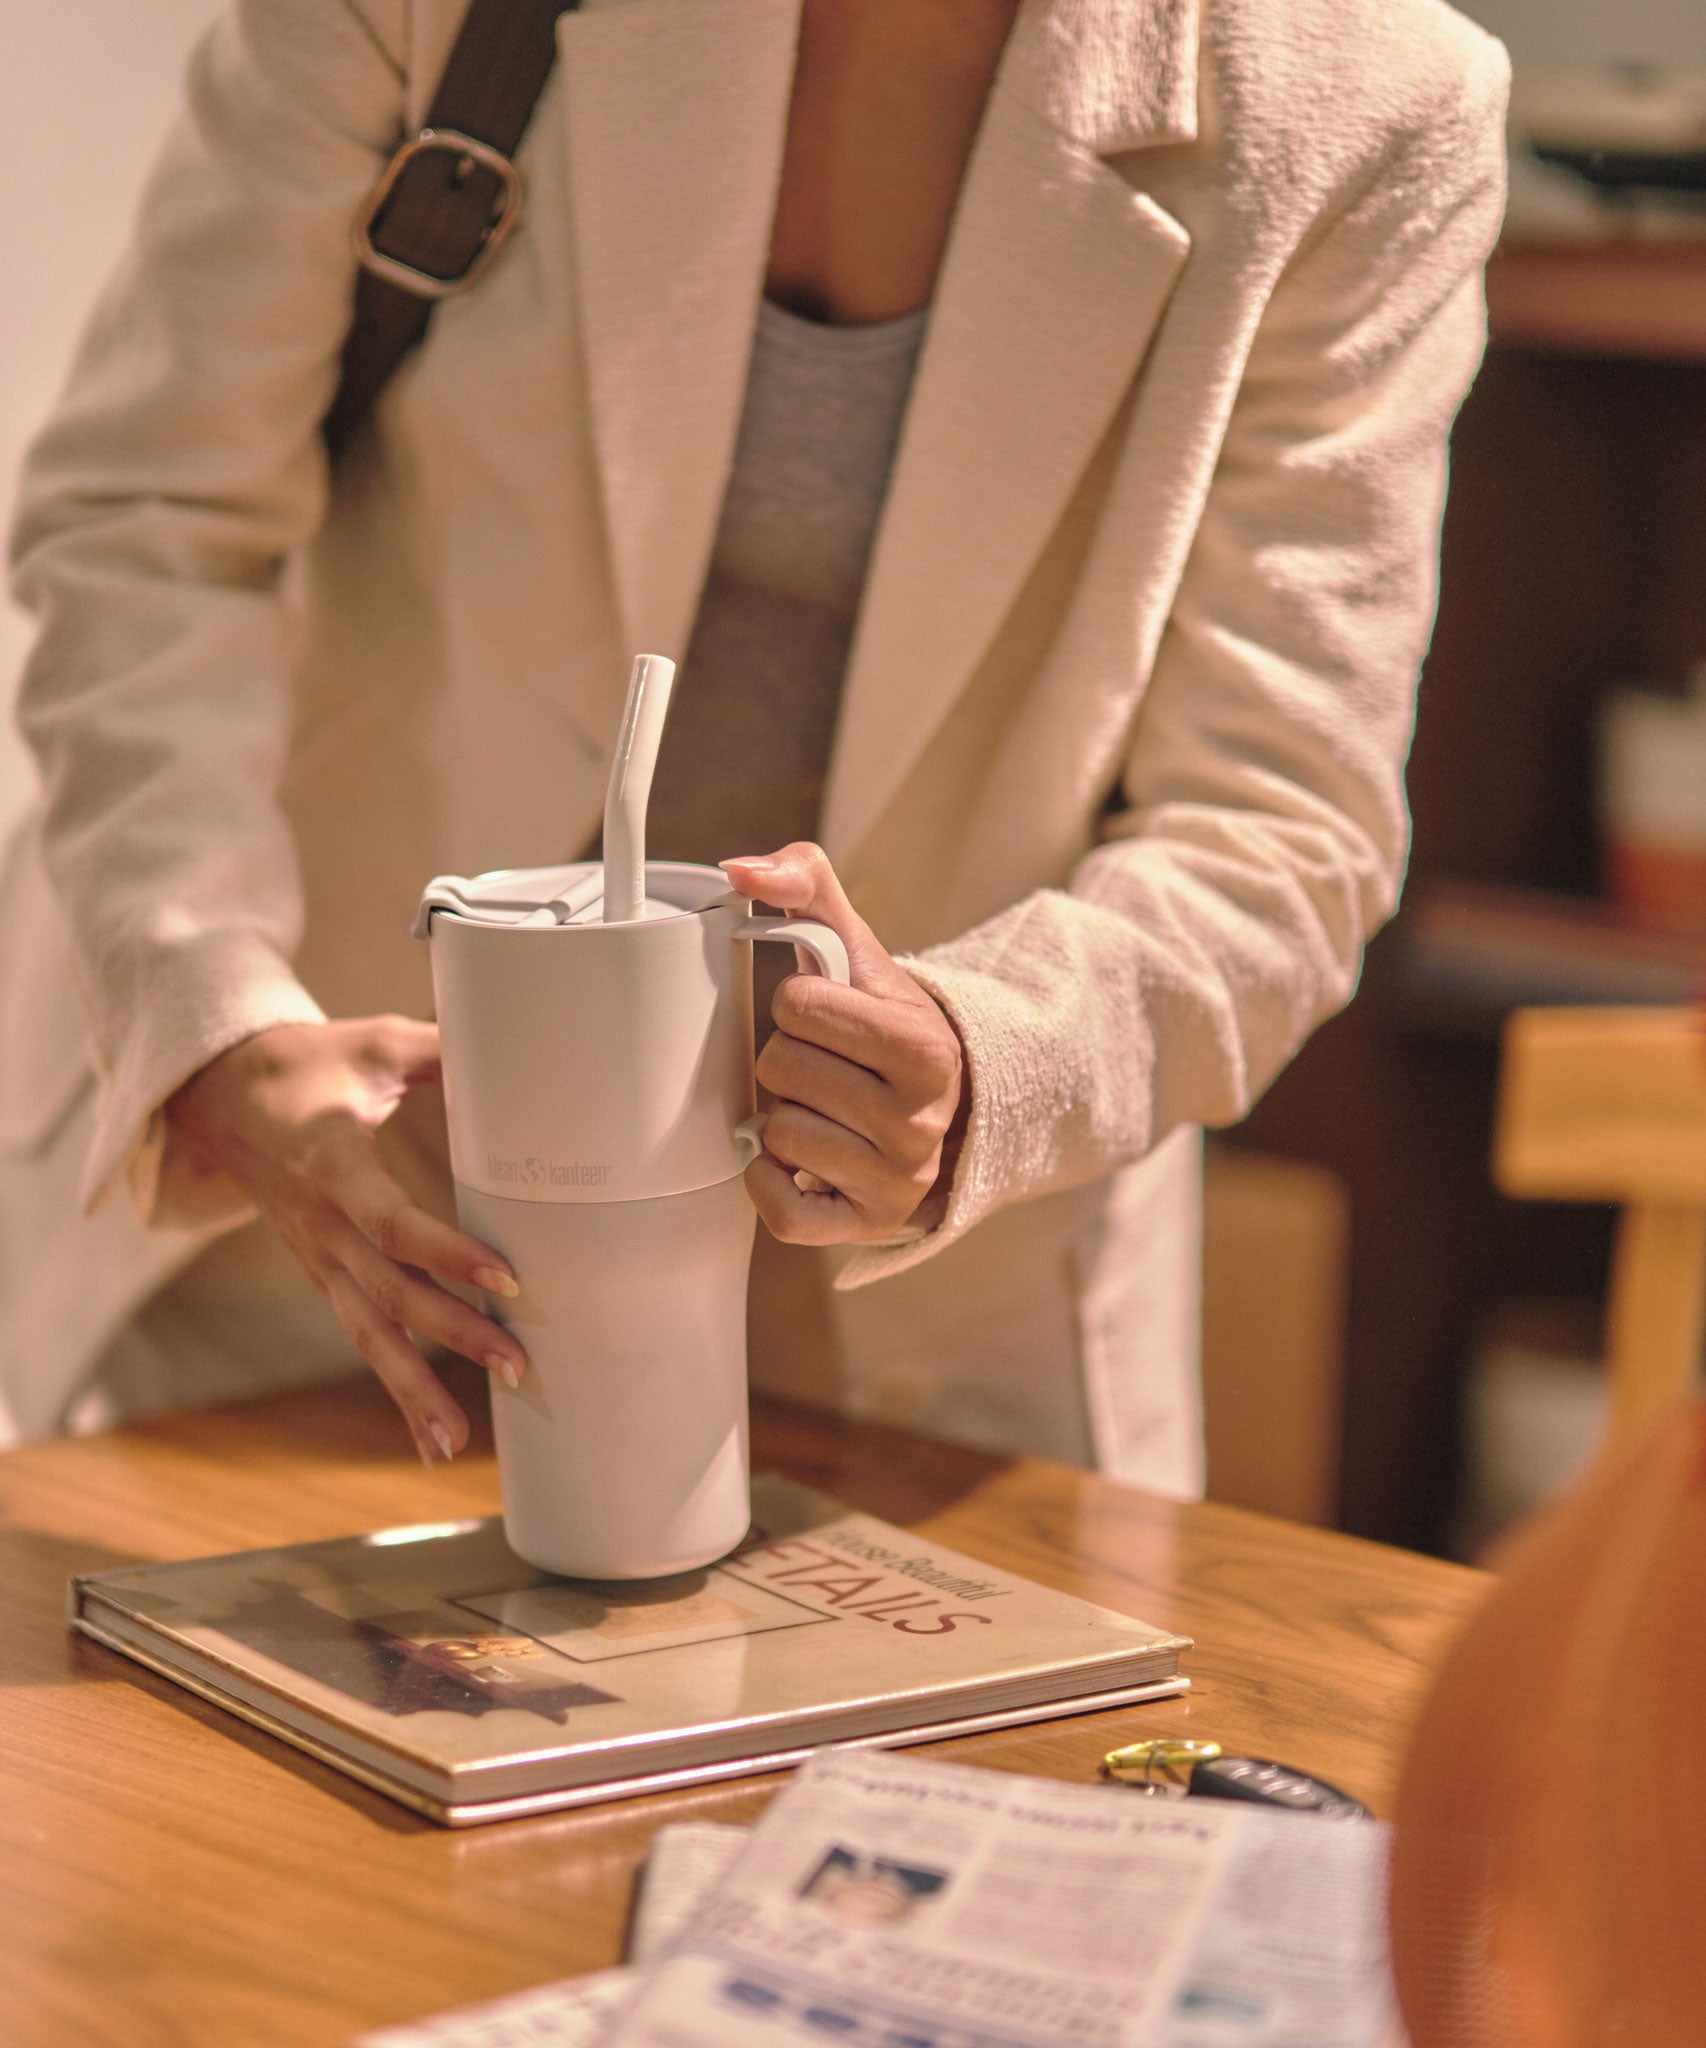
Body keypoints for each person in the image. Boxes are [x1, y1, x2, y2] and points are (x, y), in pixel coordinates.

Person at [0, 0, 1509, 1490]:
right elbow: (146, 521)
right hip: (326, 1227)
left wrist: (988, 1061)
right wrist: (211, 1018)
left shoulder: (1363, 97)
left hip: (914, 1335)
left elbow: (1283, 827)